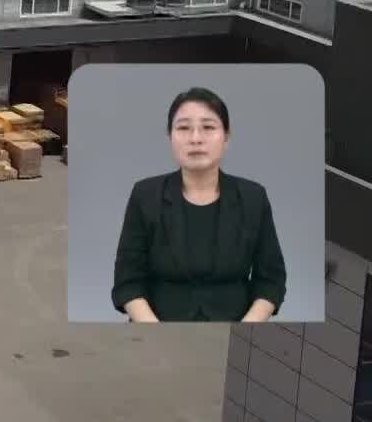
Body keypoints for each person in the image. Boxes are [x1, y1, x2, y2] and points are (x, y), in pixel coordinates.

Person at [111, 87, 287, 323]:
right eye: (183, 128)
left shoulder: (253, 198)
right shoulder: (146, 195)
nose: (195, 138)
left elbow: (271, 281)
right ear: (170, 137)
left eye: (208, 127)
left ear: (226, 137)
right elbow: (128, 282)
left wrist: (246, 329)